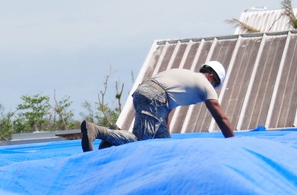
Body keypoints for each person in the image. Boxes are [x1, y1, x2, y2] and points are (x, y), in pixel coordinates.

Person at [81, 61, 235, 151]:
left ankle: (114, 138)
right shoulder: (204, 83)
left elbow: (166, 110)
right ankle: (99, 131)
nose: (213, 89)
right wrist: (234, 142)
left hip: (146, 92)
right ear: (211, 77)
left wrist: (164, 132)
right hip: (156, 96)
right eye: (215, 85)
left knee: (163, 143)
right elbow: (221, 117)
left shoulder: (185, 76)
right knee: (141, 141)